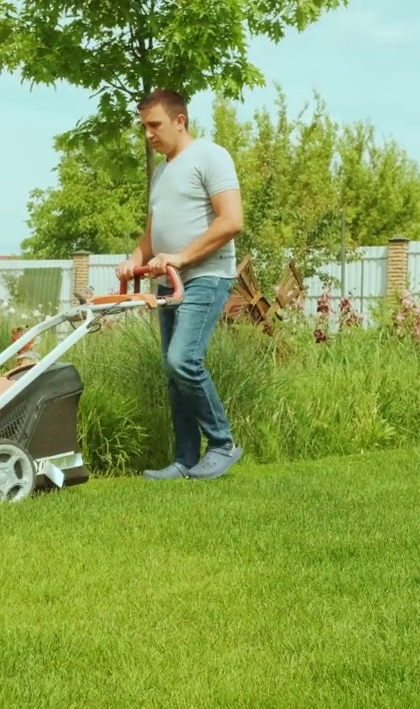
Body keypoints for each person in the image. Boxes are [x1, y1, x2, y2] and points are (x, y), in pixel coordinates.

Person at [115, 88, 244, 481]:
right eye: (144, 128)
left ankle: (222, 444)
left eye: (154, 125)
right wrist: (134, 260)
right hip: (169, 282)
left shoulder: (211, 156)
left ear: (179, 120)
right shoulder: (161, 171)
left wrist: (183, 257)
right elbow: (152, 236)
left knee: (182, 361)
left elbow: (231, 220)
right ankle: (185, 459)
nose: (148, 134)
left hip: (206, 275)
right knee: (172, 373)